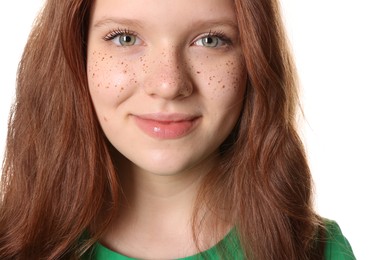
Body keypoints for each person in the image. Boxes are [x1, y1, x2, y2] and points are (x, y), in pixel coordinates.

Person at [0, 0, 356, 259]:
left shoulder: (317, 252)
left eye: (210, 40)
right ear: (76, 53)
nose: (169, 84)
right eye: (125, 38)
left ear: (255, 61)